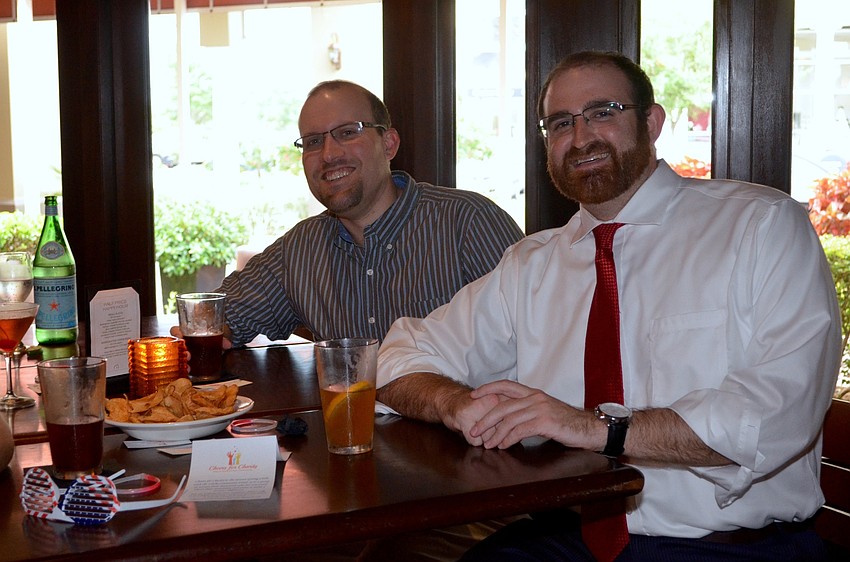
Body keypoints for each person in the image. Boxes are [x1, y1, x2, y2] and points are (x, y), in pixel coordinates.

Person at [376, 51, 841, 561]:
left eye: (603, 112)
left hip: (728, 547)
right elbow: (400, 355)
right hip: (561, 539)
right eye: (560, 123)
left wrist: (593, 428)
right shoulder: (531, 263)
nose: (580, 138)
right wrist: (454, 404)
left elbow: (776, 411)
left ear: (652, 121)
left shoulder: (761, 226)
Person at [173, 80, 523, 347]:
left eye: (346, 133)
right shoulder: (299, 250)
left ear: (389, 144)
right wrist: (209, 336)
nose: (328, 154)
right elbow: (216, 317)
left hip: (470, 436)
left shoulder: (470, 223)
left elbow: (538, 344)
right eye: (312, 142)